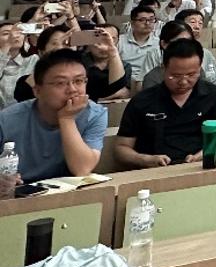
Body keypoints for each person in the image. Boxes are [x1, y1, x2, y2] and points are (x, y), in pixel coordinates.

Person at [115, 39, 216, 167]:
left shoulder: (213, 95)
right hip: (153, 170)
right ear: (163, 68)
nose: (183, 82)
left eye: (191, 75)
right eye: (175, 76)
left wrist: (204, 155)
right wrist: (146, 160)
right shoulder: (142, 100)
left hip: (200, 166)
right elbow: (122, 148)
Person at [0, 50, 107, 186]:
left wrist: (66, 119)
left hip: (69, 192)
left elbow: (82, 169)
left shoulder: (95, 114)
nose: (72, 89)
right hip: (18, 191)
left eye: (79, 81)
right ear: (37, 91)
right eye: (60, 83)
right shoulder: (7, 119)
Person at [81, 23, 130, 101]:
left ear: (117, 41)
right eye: (99, 39)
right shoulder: (78, 63)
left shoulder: (125, 65)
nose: (104, 44)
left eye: (111, 39)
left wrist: (112, 52)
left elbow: (124, 92)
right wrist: (100, 98)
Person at [117, 5, 160, 84]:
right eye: (142, 20)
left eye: (151, 20)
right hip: (123, 80)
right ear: (132, 23)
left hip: (148, 81)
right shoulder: (119, 41)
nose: (147, 23)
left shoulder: (159, 43)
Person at [0, 19, 37, 109]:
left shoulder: (33, 60)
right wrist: (7, 45)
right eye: (6, 33)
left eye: (19, 32)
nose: (14, 36)